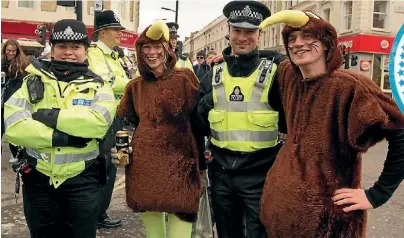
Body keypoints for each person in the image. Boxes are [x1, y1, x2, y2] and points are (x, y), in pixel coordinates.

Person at [258, 10, 404, 237]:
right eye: (292, 39)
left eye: (308, 37)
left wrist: (377, 194)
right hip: (280, 219)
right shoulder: (287, 76)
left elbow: (400, 131)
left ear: (326, 44)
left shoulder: (349, 87)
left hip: (328, 223)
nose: (298, 44)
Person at [4, 19, 116, 238]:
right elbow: (14, 127)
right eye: (62, 47)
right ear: (52, 50)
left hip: (83, 182)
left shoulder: (100, 86)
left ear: (86, 50)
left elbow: (98, 124)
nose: (68, 53)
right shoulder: (30, 82)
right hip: (38, 182)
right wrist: (59, 138)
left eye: (75, 47)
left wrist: (52, 117)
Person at [196, 1, 287, 237]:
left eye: (249, 32)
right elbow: (198, 126)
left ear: (259, 34)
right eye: (237, 30)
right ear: (229, 32)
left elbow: (291, 124)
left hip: (261, 176)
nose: (242, 37)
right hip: (222, 175)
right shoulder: (212, 75)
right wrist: (202, 109)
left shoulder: (275, 74)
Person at [116, 20, 206, 238]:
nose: (152, 52)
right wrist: (122, 149)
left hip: (181, 168)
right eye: (146, 47)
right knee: (154, 235)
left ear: (168, 48)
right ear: (139, 51)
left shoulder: (185, 78)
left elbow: (198, 124)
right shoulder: (134, 87)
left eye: (158, 46)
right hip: (144, 169)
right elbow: (126, 125)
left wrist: (201, 166)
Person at [87, 9, 129, 229]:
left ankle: (100, 212)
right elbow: (106, 82)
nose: (120, 34)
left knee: (115, 164)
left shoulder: (114, 55)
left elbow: (121, 80)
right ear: (103, 32)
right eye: (116, 29)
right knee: (102, 166)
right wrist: (133, 85)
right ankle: (94, 214)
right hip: (104, 120)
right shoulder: (94, 53)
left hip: (117, 118)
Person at [1, 39, 30, 162]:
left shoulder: (21, 64)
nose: (11, 53)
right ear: (4, 50)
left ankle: (16, 155)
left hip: (13, 102)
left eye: (13, 51)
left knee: (13, 129)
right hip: (2, 102)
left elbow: (21, 85)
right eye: (9, 50)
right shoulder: (2, 62)